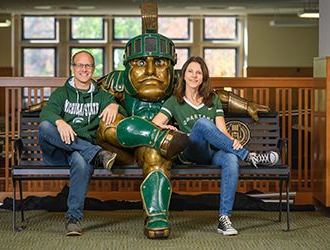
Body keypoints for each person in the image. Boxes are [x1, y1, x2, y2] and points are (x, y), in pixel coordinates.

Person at [152, 56, 279, 236]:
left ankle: (224, 219)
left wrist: (232, 142)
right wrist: (167, 126)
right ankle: (251, 157)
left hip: (211, 152)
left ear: (203, 77)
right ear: (183, 75)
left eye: (198, 73)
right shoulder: (175, 101)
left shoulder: (213, 100)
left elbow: (222, 131)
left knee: (231, 158)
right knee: (202, 124)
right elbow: (154, 124)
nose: (194, 76)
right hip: (190, 151)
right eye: (190, 71)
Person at [38, 50, 123, 236]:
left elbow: (122, 108)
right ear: (72, 68)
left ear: (93, 69)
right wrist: (60, 122)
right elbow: (46, 114)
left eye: (88, 65)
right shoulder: (61, 93)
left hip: (79, 153)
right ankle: (96, 154)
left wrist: (114, 105)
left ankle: (73, 219)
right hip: (57, 153)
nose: (84, 69)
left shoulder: (101, 96)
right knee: (45, 127)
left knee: (81, 161)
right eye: (79, 65)